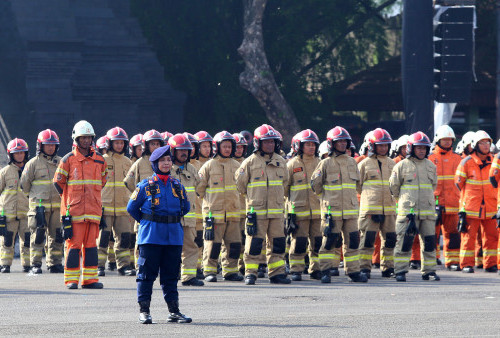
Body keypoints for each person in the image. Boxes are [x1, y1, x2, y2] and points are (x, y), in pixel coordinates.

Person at [127, 145, 192, 324]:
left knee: (171, 276)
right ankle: (144, 311)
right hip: (151, 237)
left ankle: (174, 311)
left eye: (168, 160)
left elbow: (185, 208)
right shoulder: (145, 185)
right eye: (162, 160)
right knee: (146, 275)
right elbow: (131, 208)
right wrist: (148, 221)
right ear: (155, 164)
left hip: (173, 237)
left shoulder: (178, 186)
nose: (166, 163)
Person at [53, 120, 107, 289]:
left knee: (91, 247)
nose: (85, 141)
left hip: (93, 212)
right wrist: (68, 199)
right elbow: (58, 182)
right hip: (74, 213)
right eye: (82, 138)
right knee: (73, 247)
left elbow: (103, 180)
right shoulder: (68, 160)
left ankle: (90, 280)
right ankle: (71, 280)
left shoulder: (100, 160)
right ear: (76, 139)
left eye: (88, 138)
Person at [235, 124, 291, 285]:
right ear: (258, 143)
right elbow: (240, 185)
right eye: (266, 142)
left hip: (277, 212)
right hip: (256, 211)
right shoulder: (249, 162)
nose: (270, 145)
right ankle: (250, 273)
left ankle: (277, 273)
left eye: (272, 142)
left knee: (278, 244)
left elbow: (285, 184)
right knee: (254, 244)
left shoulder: (281, 162)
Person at [311, 126, 367, 283]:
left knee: (353, 242)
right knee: (329, 242)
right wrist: (326, 199)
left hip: (350, 211)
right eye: (339, 141)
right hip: (332, 211)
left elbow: (358, 185)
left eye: (344, 141)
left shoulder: (352, 162)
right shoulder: (325, 163)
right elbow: (315, 185)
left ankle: (354, 272)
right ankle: (325, 271)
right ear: (331, 144)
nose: (342, 144)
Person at [389, 131, 440, 282]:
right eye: (419, 148)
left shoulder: (431, 166)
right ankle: (400, 271)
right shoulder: (401, 166)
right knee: (404, 243)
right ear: (411, 148)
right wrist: (405, 201)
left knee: (430, 243)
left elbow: (433, 186)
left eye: (424, 148)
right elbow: (393, 188)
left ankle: (429, 271)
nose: (422, 151)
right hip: (408, 212)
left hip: (427, 212)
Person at [196, 131, 243, 282]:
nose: (228, 149)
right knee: (212, 245)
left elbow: (243, 188)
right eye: (225, 146)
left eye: (230, 146)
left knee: (234, 244)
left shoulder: (237, 166)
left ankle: (230, 271)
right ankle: (209, 271)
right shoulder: (209, 166)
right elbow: (199, 189)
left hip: (233, 213)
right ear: (217, 147)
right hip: (214, 214)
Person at [20, 129, 63, 274]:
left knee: (56, 236)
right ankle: (35, 264)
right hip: (39, 208)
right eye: (47, 144)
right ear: (40, 145)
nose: (50, 147)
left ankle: (54, 263)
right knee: (37, 237)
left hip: (57, 207)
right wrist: (34, 199)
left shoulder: (61, 162)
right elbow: (24, 185)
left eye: (53, 145)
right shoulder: (32, 163)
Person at [455, 130, 498, 273]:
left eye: (488, 143)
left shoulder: (494, 161)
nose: (486, 146)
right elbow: (457, 185)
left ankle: (490, 264)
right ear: (475, 145)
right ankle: (466, 264)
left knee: (491, 237)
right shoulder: (466, 162)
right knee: (468, 237)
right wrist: (462, 207)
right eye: (482, 143)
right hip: (471, 207)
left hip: (491, 206)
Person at [357, 128, 397, 278]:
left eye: (386, 145)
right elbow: (357, 185)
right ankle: (364, 268)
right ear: (372, 146)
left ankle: (388, 268)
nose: (383, 148)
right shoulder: (364, 164)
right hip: (370, 210)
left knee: (390, 239)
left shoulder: (393, 164)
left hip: (389, 209)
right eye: (380, 145)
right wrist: (369, 200)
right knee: (367, 240)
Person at [284, 129, 322, 281]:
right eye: (308, 145)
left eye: (313, 144)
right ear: (299, 146)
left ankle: (316, 269)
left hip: (318, 210)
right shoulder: (291, 165)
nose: (311, 147)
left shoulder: (321, 163)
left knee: (318, 242)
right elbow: (285, 189)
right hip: (298, 211)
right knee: (298, 242)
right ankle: (296, 270)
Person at [97, 127, 135, 277]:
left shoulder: (128, 162)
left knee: (124, 239)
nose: (119, 145)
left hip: (123, 207)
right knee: (102, 239)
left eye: (121, 143)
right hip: (104, 207)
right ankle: (99, 266)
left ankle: (124, 266)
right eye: (116, 142)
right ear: (109, 143)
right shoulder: (101, 160)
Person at [168, 134, 204, 286]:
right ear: (172, 151)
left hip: (188, 218)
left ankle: (188, 277)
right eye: (180, 150)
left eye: (186, 150)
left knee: (190, 246)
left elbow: (199, 188)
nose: (184, 153)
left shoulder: (193, 169)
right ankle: (170, 275)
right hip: (170, 218)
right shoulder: (166, 168)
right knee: (170, 248)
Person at [429, 125, 462, 271]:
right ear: (438, 140)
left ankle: (452, 262)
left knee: (453, 235)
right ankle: (432, 259)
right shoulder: (430, 158)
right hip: (434, 202)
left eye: (450, 140)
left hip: (453, 203)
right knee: (431, 234)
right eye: (445, 140)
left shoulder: (458, 158)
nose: (448, 142)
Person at [0, 138, 30, 273]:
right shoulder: (4, 172)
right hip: (8, 215)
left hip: (26, 213)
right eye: (16, 153)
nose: (19, 155)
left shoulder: (30, 170)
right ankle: (5, 264)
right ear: (11, 155)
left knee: (28, 241)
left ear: (25, 154)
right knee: (7, 241)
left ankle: (28, 265)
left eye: (22, 153)